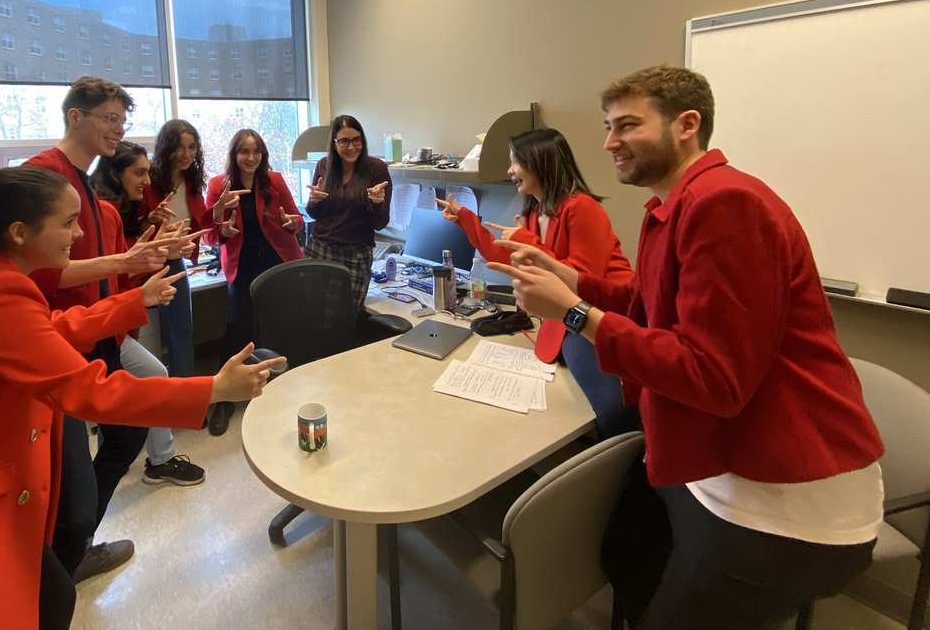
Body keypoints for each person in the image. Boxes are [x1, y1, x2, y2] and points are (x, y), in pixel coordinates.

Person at [489, 65, 883, 629]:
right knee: (626, 549)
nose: (608, 143)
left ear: (687, 125)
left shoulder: (726, 205)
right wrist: (570, 280)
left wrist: (574, 314)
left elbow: (714, 377)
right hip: (711, 462)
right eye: (607, 127)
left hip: (782, 502)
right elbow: (646, 302)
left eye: (627, 125)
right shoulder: (674, 206)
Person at [0, 167, 279, 630]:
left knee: (52, 598)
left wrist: (131, 301)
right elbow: (88, 390)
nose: (80, 232)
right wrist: (212, 389)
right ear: (19, 232)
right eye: (68, 222)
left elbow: (44, 333)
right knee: (46, 601)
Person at [26, 78, 171, 585]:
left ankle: (75, 547)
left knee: (127, 431)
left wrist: (135, 265)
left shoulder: (83, 181)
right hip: (60, 345)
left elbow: (101, 267)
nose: (120, 128)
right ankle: (64, 561)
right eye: (110, 118)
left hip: (96, 334)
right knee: (71, 490)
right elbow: (40, 272)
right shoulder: (45, 175)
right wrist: (126, 261)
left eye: (123, 120)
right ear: (76, 117)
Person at [436, 128, 638, 438]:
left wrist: (528, 243)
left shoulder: (582, 208)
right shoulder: (534, 213)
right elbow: (507, 260)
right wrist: (465, 218)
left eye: (515, 162)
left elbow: (584, 281)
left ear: (540, 162)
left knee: (613, 411)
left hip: (600, 316)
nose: (509, 171)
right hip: (566, 319)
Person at [92, 142, 208, 482]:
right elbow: (116, 271)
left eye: (147, 172)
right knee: (151, 375)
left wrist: (161, 244)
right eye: (139, 173)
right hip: (101, 323)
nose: (146, 180)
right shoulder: (105, 212)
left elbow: (128, 264)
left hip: (113, 321)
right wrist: (157, 250)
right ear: (116, 174)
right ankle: (158, 460)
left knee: (117, 392)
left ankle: (155, 459)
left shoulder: (128, 208)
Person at [203, 129, 305, 435]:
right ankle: (223, 400)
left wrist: (292, 223)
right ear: (234, 155)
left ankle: (283, 384)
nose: (251, 158)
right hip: (242, 264)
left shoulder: (273, 181)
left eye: (256, 151)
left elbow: (296, 219)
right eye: (244, 152)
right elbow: (208, 234)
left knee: (281, 323)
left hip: (277, 260)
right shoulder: (219, 185)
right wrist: (223, 227)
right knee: (238, 327)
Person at [142, 119, 246, 379]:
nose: (186, 154)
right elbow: (136, 225)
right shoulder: (148, 181)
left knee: (182, 331)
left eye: (192, 147)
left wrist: (220, 207)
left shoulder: (190, 181)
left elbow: (201, 222)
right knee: (143, 338)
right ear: (166, 147)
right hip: (143, 262)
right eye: (180, 147)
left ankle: (186, 398)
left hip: (174, 262)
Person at [304, 115, 392, 315]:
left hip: (355, 254)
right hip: (319, 249)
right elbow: (315, 214)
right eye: (344, 141)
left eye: (356, 140)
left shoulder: (376, 169)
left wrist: (378, 203)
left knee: (342, 319)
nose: (351, 147)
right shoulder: (324, 165)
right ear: (334, 143)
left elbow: (381, 223)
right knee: (310, 315)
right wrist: (314, 201)